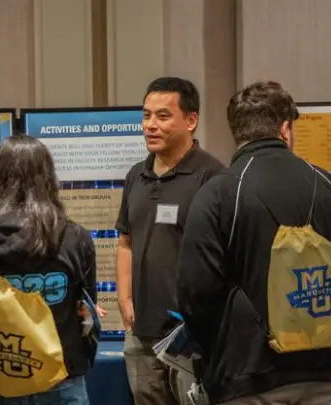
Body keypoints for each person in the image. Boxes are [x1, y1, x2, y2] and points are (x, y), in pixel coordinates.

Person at [176, 81, 331, 405]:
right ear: (285, 128)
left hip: (245, 373)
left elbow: (195, 293)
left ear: (236, 132)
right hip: (321, 370)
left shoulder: (218, 193)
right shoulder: (329, 187)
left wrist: (208, 353)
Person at [115, 76, 224, 405]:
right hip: (140, 332)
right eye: (146, 115)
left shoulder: (213, 177)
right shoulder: (136, 174)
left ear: (191, 120)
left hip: (190, 336)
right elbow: (125, 240)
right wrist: (124, 299)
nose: (150, 125)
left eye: (162, 116)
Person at [0, 134, 97, 405]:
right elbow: (87, 310)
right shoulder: (74, 237)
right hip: (62, 375)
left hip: (0, 376)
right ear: (48, 177)